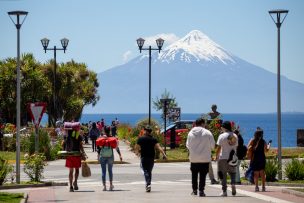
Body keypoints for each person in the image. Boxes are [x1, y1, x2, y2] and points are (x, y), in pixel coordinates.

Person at [186, 118, 215, 197]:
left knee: (194, 175)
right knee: (203, 176)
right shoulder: (207, 132)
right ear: (203, 123)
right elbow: (213, 146)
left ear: (195, 124)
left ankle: (194, 190)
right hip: (205, 158)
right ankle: (201, 191)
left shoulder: (190, 133)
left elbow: (187, 145)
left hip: (193, 158)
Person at [136, 125, 167, 192]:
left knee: (145, 171)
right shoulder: (154, 139)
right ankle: (148, 184)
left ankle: (148, 184)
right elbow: (158, 147)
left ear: (146, 131)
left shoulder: (141, 139)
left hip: (144, 157)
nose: (144, 131)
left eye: (144, 130)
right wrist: (164, 154)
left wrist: (138, 153)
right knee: (149, 171)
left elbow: (137, 147)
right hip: (151, 158)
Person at [216, 121, 238, 197]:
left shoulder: (221, 136)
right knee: (232, 173)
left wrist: (216, 156)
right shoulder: (235, 135)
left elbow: (219, 148)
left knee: (223, 175)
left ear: (224, 127)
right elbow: (236, 147)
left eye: (222, 127)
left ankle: (224, 191)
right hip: (232, 158)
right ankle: (233, 183)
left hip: (223, 157)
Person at [97, 126, 122, 191]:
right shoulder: (112, 138)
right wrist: (120, 155)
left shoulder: (102, 138)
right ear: (110, 130)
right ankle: (111, 185)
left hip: (102, 156)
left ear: (104, 131)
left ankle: (104, 186)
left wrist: (98, 155)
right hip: (110, 156)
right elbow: (116, 147)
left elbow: (99, 148)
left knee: (103, 171)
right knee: (110, 171)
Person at [63, 122, 85, 192]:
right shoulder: (78, 136)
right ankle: (75, 182)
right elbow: (80, 146)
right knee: (77, 170)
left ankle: (71, 187)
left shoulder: (66, 136)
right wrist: (83, 153)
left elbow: (63, 145)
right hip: (77, 155)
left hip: (69, 155)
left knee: (70, 171)